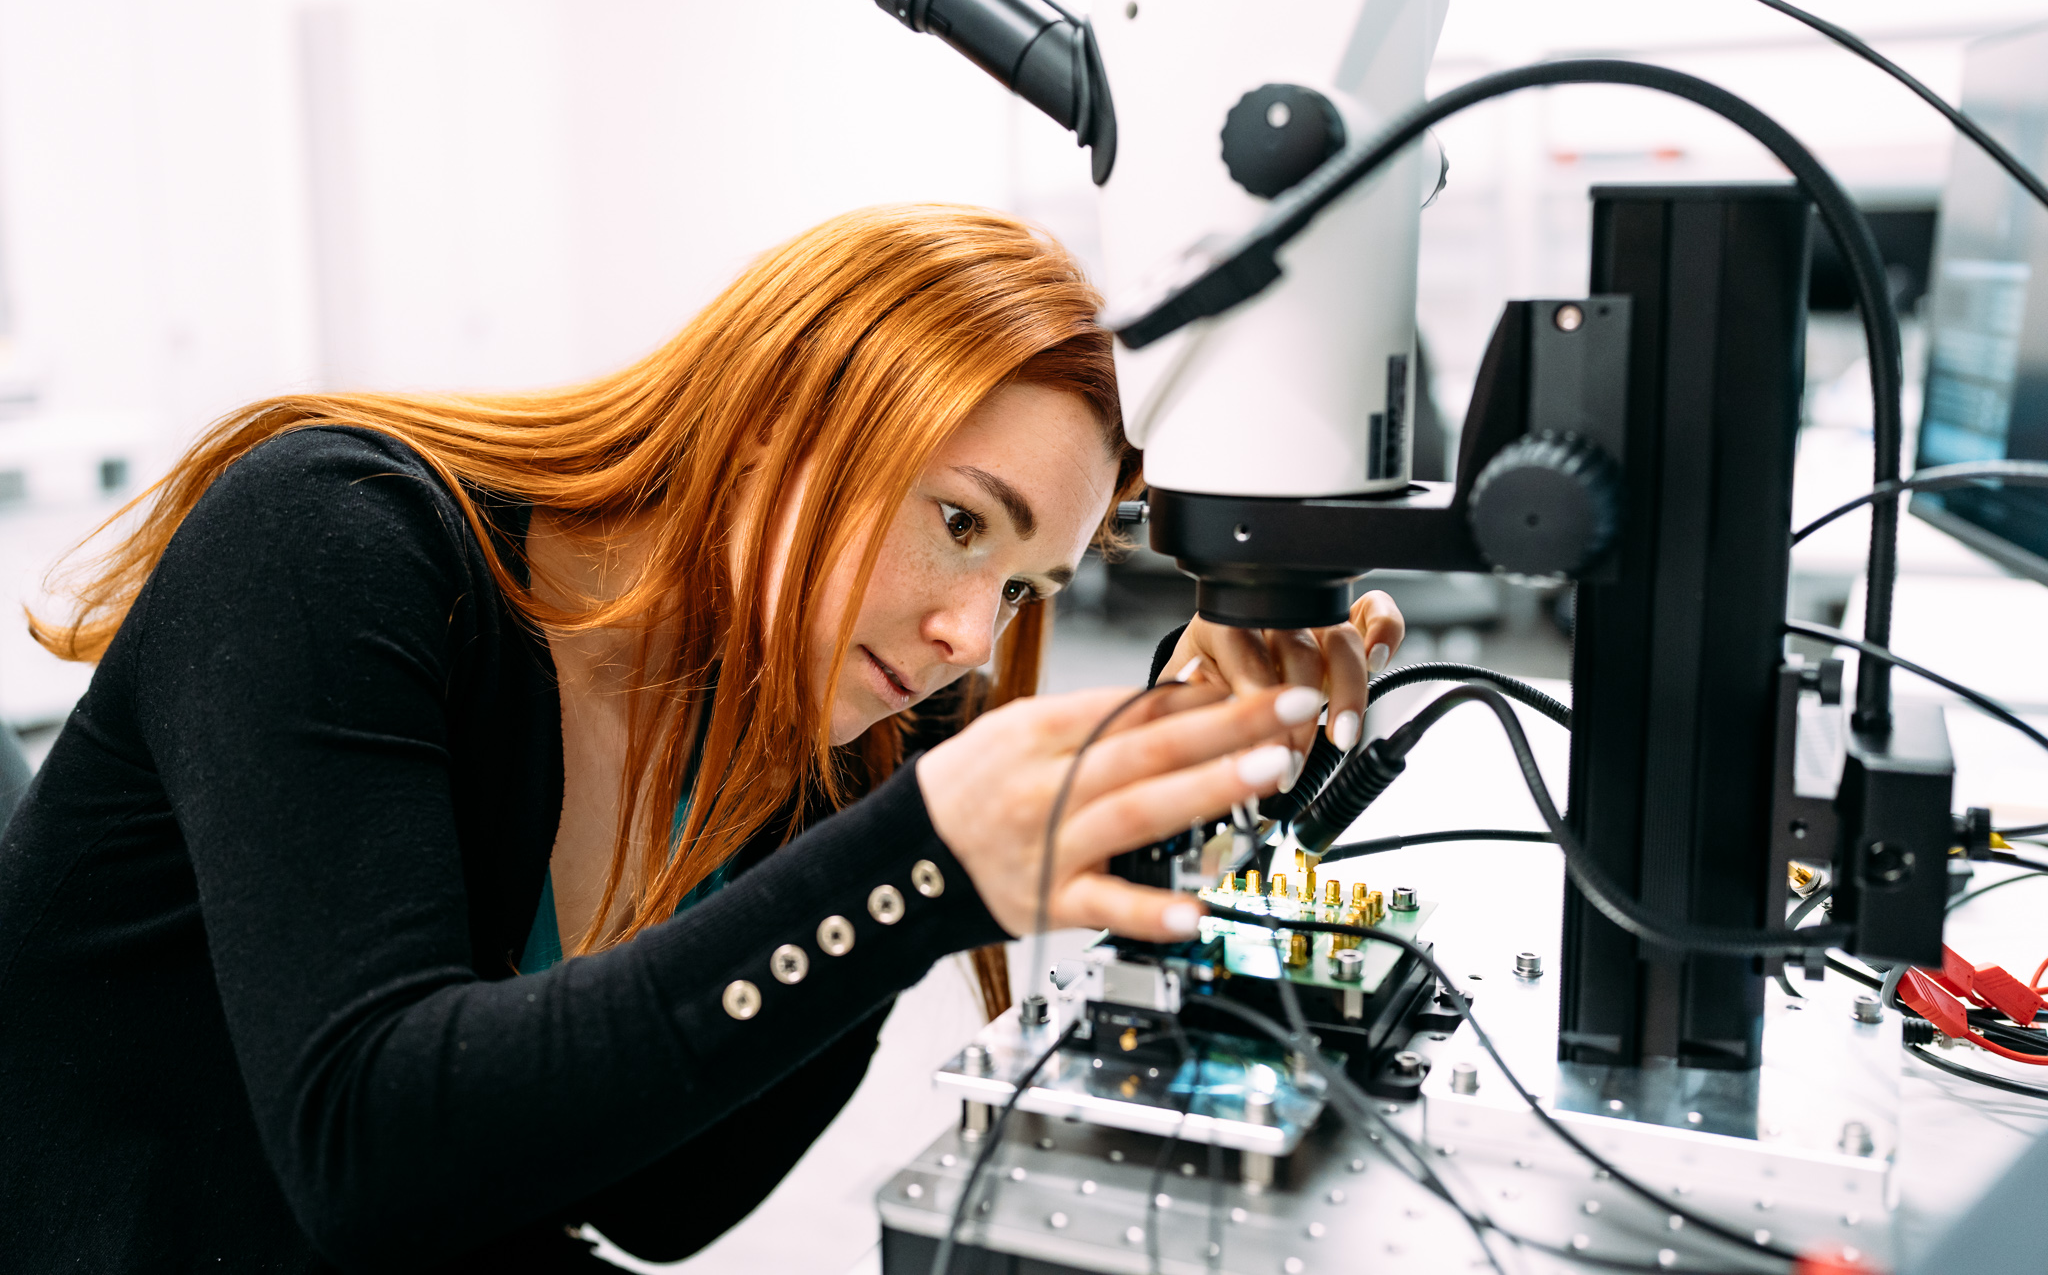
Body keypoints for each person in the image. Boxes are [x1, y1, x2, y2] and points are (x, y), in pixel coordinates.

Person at [0, 204, 1401, 1272]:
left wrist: (1172, 762)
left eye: (1026, 585)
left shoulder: (803, 726)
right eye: (959, 520)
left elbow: (660, 1202)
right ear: (770, 422)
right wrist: (911, 870)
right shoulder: (328, 540)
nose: (972, 638)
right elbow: (373, 1146)